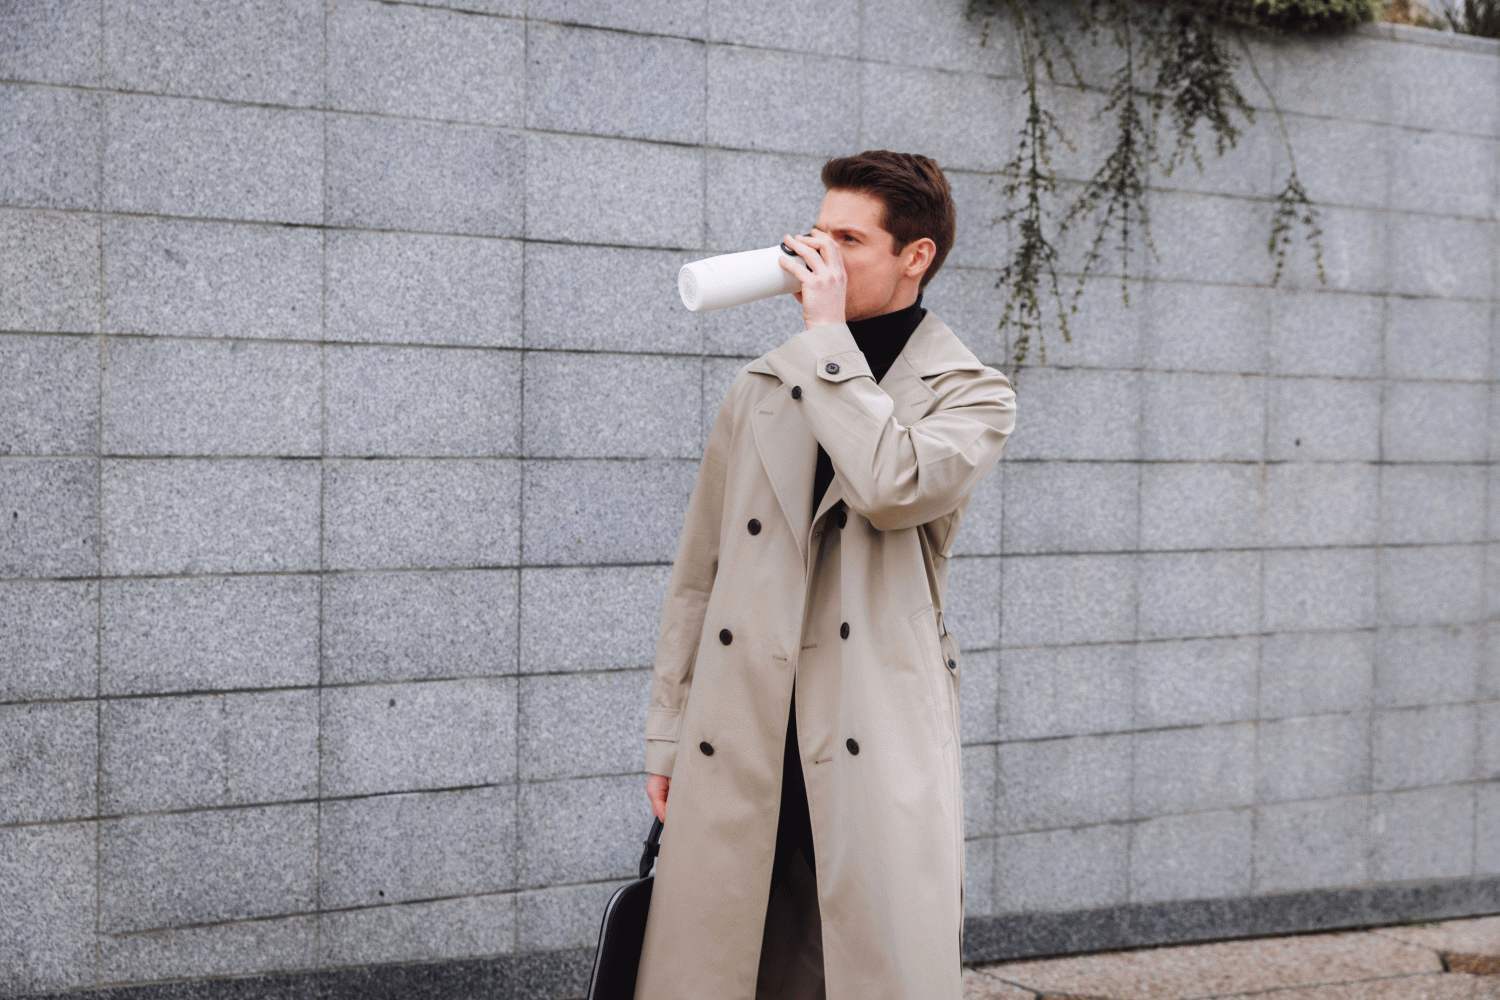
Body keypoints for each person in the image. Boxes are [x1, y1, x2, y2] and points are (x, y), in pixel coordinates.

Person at [636, 150, 1018, 1000]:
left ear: (915, 256)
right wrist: (667, 732)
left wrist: (825, 340)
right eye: (818, 233)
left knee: (861, 962)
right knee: (722, 965)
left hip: (870, 723)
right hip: (743, 721)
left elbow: (890, 485)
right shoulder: (761, 388)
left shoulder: (973, 394)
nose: (817, 256)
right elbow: (699, 572)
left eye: (848, 240)